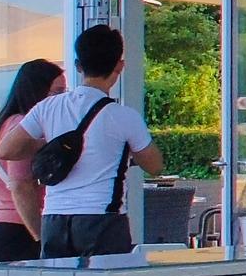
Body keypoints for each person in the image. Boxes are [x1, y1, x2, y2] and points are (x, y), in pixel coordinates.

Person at [19, 25, 162, 262]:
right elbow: (155, 166)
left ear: (78, 65)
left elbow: (7, 149)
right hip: (102, 217)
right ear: (120, 66)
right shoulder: (123, 116)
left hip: (54, 217)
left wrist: (53, 144)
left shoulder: (48, 107)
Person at [0, 57, 65, 263]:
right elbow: (21, 185)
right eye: (56, 92)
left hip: (9, 225)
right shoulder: (21, 126)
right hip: (21, 228)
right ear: (37, 91)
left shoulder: (9, 123)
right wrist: (41, 237)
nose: (61, 100)